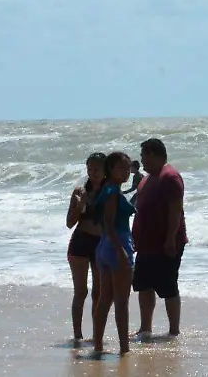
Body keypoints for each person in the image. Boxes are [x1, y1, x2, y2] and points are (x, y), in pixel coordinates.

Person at [132, 137, 188, 340]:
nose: (142, 160)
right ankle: (145, 328)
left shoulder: (169, 177)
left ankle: (174, 331)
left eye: (144, 156)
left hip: (165, 243)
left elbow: (176, 210)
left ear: (155, 155)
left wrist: (171, 239)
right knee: (144, 285)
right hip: (145, 244)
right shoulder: (147, 179)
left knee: (168, 286)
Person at [91, 151, 136, 355]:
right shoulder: (111, 191)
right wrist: (121, 250)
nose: (126, 171)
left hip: (104, 246)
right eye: (121, 168)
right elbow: (109, 224)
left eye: (128, 168)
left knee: (105, 298)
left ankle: (98, 345)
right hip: (116, 244)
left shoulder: (109, 189)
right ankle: (124, 348)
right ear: (110, 169)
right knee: (120, 301)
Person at [67, 152, 106, 343]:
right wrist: (80, 205)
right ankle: (77, 335)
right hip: (81, 242)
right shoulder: (79, 191)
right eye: (89, 169)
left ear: (105, 170)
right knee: (80, 291)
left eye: (97, 169)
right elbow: (69, 223)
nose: (93, 173)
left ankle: (95, 335)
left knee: (98, 292)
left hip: (101, 244)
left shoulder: (110, 191)